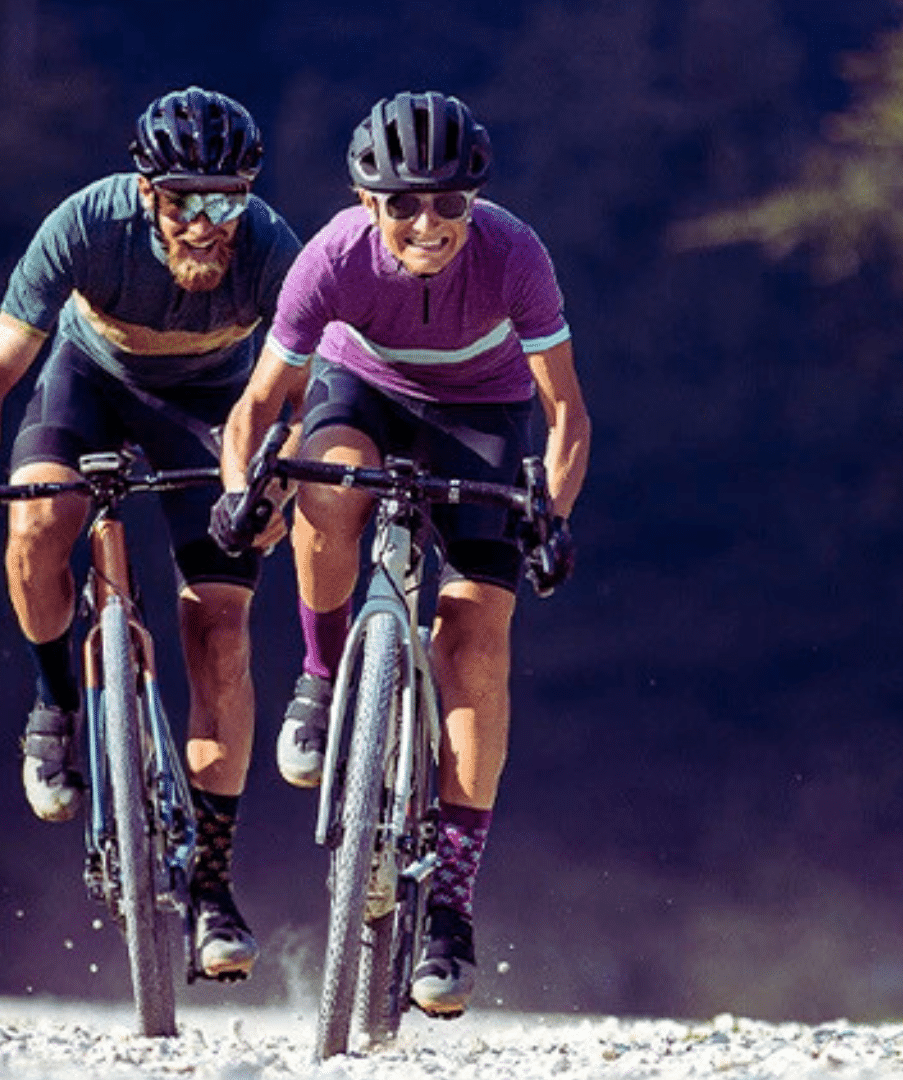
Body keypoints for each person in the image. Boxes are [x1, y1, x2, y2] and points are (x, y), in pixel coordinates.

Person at [213, 90, 589, 1018]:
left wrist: (555, 513)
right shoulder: (331, 258)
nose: (428, 223)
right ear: (364, 200)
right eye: (403, 204)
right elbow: (259, 409)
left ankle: (450, 907)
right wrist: (234, 490)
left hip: (481, 415)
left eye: (449, 203)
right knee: (327, 485)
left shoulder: (514, 254)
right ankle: (320, 672)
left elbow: (566, 414)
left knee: (478, 639)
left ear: (475, 200)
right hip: (364, 392)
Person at [0, 86, 302, 981]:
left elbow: (308, 393)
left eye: (227, 200)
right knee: (35, 523)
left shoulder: (273, 251)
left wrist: (275, 489)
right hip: (86, 388)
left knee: (219, 633)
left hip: (216, 409)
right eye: (186, 201)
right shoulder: (85, 225)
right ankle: (55, 705)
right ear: (146, 193)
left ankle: (212, 888)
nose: (208, 224)